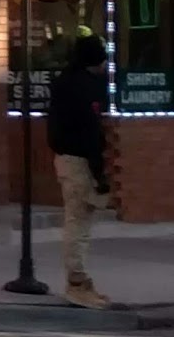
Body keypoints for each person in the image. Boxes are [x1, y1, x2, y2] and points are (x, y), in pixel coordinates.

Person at [47, 34, 112, 309]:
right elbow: (90, 132)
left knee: (79, 221)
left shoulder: (66, 82)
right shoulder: (85, 89)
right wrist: (99, 174)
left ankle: (80, 280)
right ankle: (76, 283)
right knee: (79, 222)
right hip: (79, 161)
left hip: (68, 157)